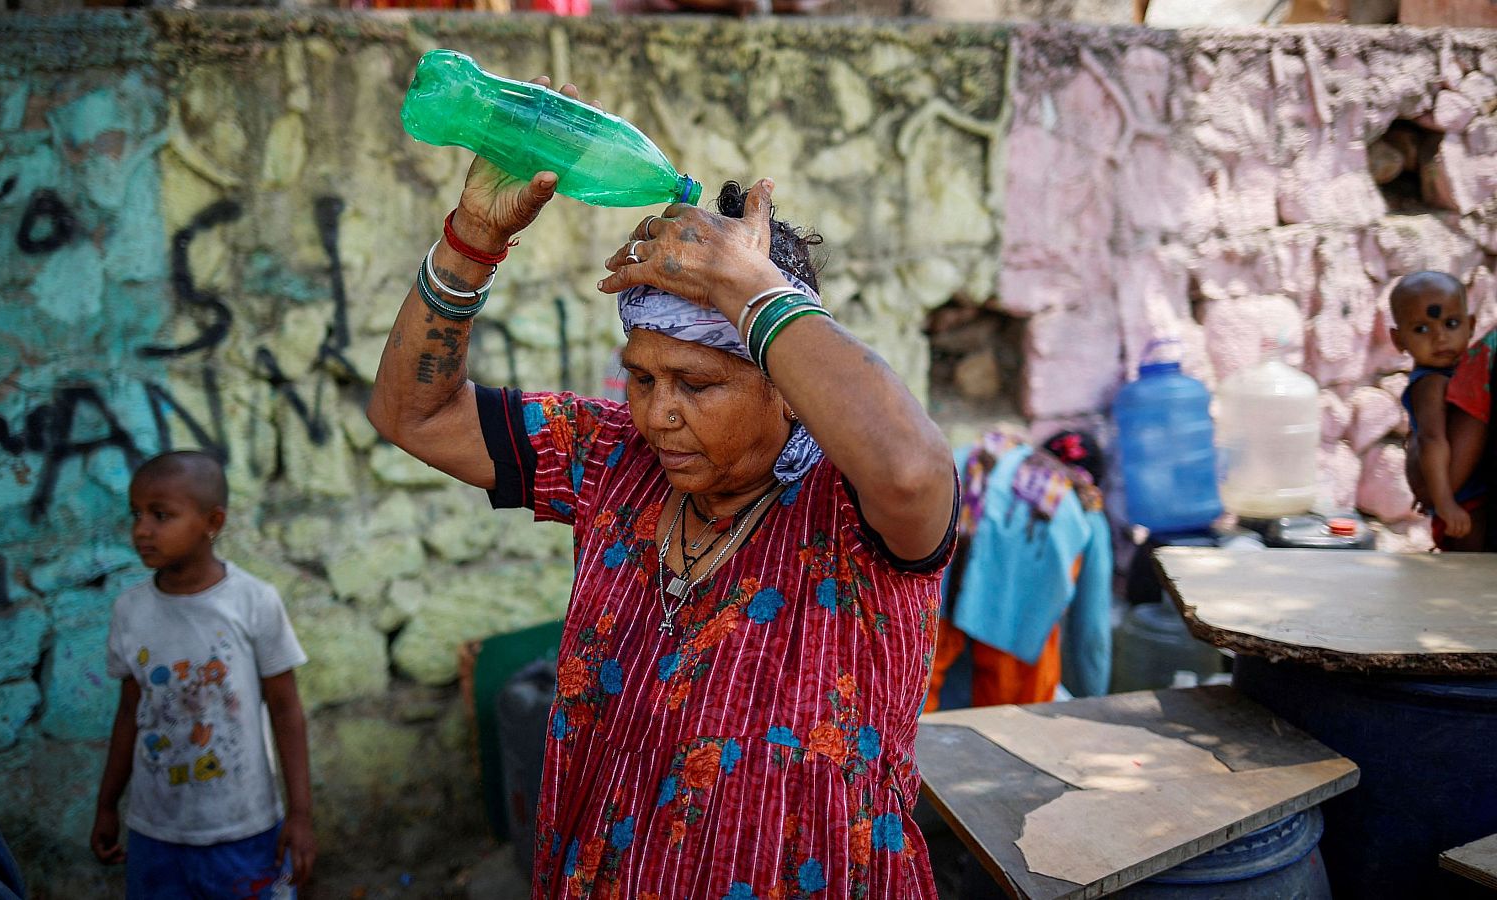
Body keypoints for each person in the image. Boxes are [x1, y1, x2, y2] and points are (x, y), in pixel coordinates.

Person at [369, 77, 958, 897]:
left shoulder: (850, 508)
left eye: (697, 383)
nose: (658, 416)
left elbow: (914, 470)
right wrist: (472, 240)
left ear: (785, 386)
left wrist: (747, 288)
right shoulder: (611, 460)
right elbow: (413, 414)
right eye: (641, 378)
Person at [90, 451, 316, 898]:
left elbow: (287, 711)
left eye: (161, 515)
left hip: (244, 828)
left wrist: (301, 814)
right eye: (136, 514)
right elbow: (129, 715)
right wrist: (106, 805)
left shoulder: (253, 601)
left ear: (212, 521)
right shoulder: (130, 611)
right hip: (156, 831)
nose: (141, 530)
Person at [925, 429, 1111, 712]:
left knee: (918, 684)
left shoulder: (986, 455)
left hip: (932, 576)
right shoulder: (1084, 506)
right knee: (1008, 721)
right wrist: (1095, 703)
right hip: (1012, 624)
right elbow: (1091, 631)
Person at [1389, 271, 1482, 549]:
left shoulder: (1458, 371)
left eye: (1451, 324)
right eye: (1421, 329)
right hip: (1464, 503)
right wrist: (1444, 503)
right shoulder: (1431, 383)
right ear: (1398, 340)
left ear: (1471, 325)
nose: (1440, 338)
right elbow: (1432, 439)